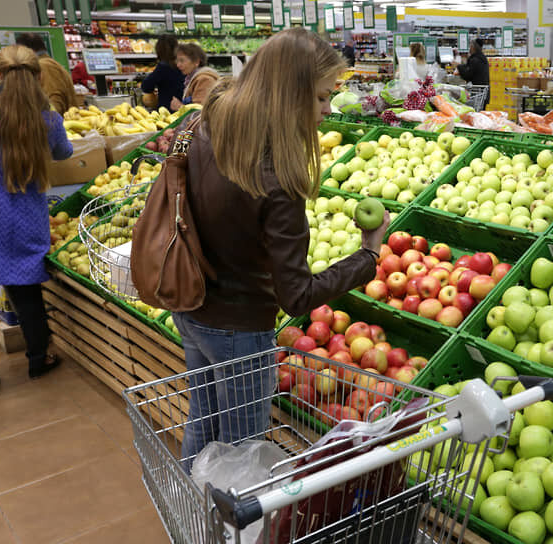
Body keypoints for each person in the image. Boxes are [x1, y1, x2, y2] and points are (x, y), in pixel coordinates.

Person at [173, 28, 389, 471]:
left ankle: (191, 521)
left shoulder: (208, 121)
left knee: (202, 419)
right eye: (321, 98)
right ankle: (226, 536)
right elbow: (295, 296)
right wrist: (368, 255)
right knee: (240, 452)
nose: (328, 110)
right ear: (289, 96)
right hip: (238, 327)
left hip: (190, 301)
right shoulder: (274, 175)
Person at [0, 45, 73, 388]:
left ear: (1, 75)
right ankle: (39, 359)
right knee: (26, 294)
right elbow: (64, 152)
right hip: (25, 217)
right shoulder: (48, 117)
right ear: (39, 76)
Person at [14, 33, 82, 113]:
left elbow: (55, 102)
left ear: (29, 51)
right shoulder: (48, 63)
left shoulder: (44, 66)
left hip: (59, 123)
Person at [141, 35, 185, 111]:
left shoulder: (163, 67)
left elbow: (146, 87)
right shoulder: (184, 64)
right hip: (183, 107)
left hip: (167, 110)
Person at [171, 43, 219, 111]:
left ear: (196, 62)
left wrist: (179, 107)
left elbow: (199, 112)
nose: (178, 65)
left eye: (182, 60)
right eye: (177, 61)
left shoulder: (205, 80)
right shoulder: (192, 78)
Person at [457, 39, 490, 108]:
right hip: (482, 93)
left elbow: (467, 75)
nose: (469, 49)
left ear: (473, 47)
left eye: (470, 46)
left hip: (478, 93)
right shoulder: (481, 58)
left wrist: (458, 66)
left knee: (476, 112)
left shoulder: (475, 60)